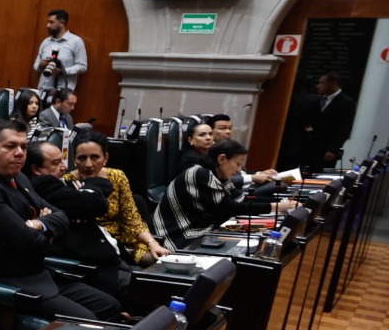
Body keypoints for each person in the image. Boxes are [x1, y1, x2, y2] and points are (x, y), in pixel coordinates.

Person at [0, 119, 121, 320]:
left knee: (110, 306)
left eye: (23, 147)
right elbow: (29, 241)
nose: (19, 152)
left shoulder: (19, 178)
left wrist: (39, 224)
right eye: (10, 146)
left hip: (40, 275)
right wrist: (48, 233)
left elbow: (61, 215)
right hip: (10, 283)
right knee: (88, 320)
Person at [26, 138, 134, 300]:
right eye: (56, 163)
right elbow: (97, 204)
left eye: (62, 160)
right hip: (93, 269)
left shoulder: (62, 182)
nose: (64, 167)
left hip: (115, 261)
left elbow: (104, 186)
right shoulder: (42, 185)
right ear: (36, 169)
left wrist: (84, 193)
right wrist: (84, 195)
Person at [152, 137, 297, 250]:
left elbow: (242, 199)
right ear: (222, 159)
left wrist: (282, 204)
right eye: (238, 164)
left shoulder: (217, 175)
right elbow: (230, 207)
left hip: (198, 227)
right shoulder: (200, 174)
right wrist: (276, 207)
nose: (240, 170)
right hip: (176, 234)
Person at [68, 134, 171, 267]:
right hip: (90, 248)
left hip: (123, 243)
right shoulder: (67, 182)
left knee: (161, 264)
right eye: (82, 158)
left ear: (105, 158)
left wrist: (152, 243)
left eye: (95, 157)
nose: (88, 164)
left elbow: (132, 220)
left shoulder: (117, 177)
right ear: (74, 160)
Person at [298, 72, 356, 171]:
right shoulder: (319, 100)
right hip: (310, 147)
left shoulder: (346, 102)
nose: (318, 86)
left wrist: (333, 150)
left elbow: (344, 129)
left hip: (327, 150)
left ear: (333, 84)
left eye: (322, 83)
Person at [34, 9, 86, 94]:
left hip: (63, 93)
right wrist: (41, 65)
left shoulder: (76, 41)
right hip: (43, 91)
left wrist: (62, 71)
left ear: (62, 23)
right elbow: (36, 66)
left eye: (51, 22)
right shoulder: (46, 42)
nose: (48, 25)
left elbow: (82, 66)